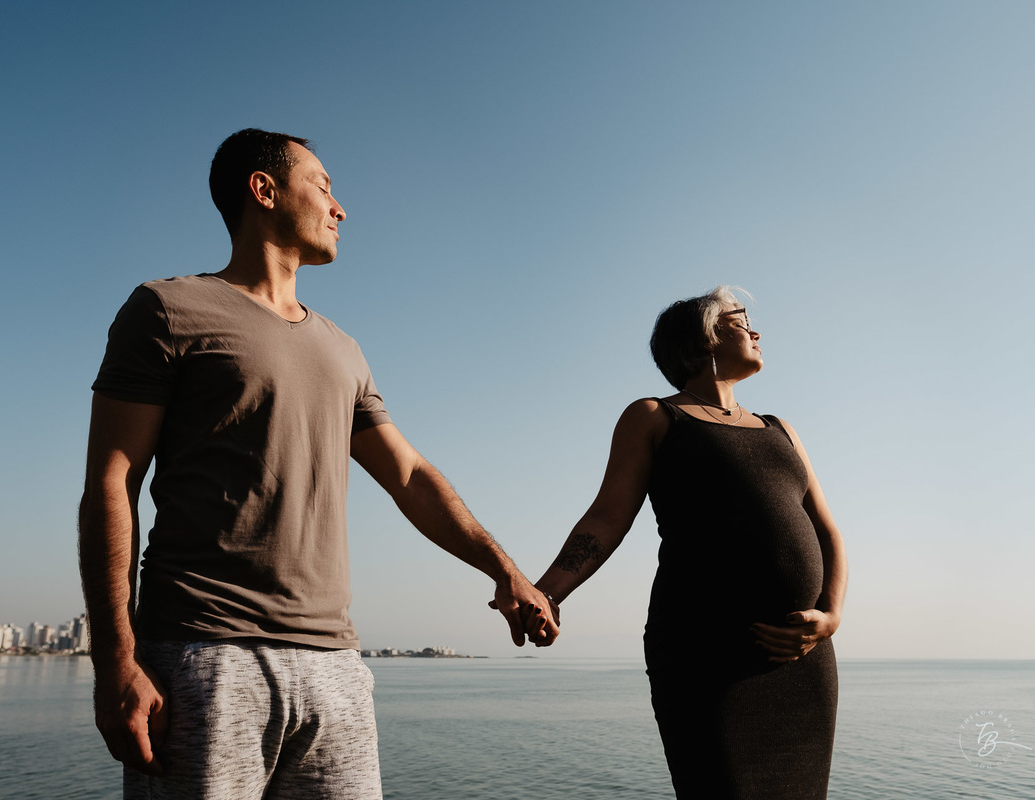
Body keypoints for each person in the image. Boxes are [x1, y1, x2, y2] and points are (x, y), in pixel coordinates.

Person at [78, 127, 557, 800]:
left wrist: (505, 571)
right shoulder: (167, 310)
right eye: (323, 186)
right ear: (263, 190)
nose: (341, 207)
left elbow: (410, 476)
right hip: (204, 656)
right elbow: (112, 482)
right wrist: (115, 660)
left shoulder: (344, 348)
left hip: (336, 667)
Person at [531, 286, 847, 799]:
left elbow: (828, 532)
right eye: (742, 321)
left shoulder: (780, 429)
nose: (757, 331)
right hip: (705, 653)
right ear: (705, 337)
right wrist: (547, 592)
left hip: (802, 658)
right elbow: (607, 518)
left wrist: (830, 618)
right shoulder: (654, 417)